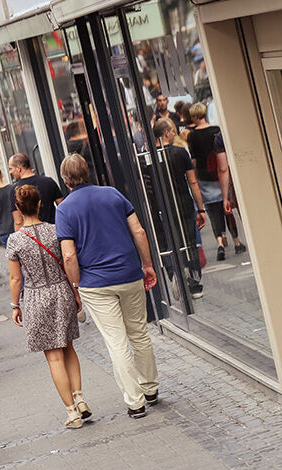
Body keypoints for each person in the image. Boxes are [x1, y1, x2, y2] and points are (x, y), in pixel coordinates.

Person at [55, 154, 159, 419]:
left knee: (116, 341)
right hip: (128, 274)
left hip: (95, 283)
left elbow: (68, 255)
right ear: (87, 172)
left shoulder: (65, 209)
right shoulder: (113, 194)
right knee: (139, 332)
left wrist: (75, 285)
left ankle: (135, 402)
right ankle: (151, 388)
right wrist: (146, 264)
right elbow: (139, 232)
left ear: (65, 181)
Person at [6, 185, 89, 429]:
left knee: (54, 357)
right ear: (40, 204)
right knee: (69, 347)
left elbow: (15, 279)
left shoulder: (15, 240)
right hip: (61, 291)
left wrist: (14, 305)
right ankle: (80, 398)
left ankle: (72, 412)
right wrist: (75, 292)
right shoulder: (56, 231)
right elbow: (67, 259)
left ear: (19, 208)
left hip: (35, 296)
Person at [153, 119, 207, 298]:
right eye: (172, 131)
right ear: (167, 133)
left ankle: (175, 272)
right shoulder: (180, 152)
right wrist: (200, 208)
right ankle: (193, 282)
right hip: (182, 203)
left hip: (161, 207)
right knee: (188, 241)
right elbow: (192, 181)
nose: (174, 133)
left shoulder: (149, 157)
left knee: (170, 241)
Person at [187, 102, 246, 260]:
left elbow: (193, 160)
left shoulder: (192, 136)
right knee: (228, 211)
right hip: (219, 176)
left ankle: (220, 242)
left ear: (194, 116)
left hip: (204, 177)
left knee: (213, 212)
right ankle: (236, 241)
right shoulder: (216, 131)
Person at [8, 153, 64, 232]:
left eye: (11, 168)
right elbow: (62, 207)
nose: (10, 172)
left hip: (31, 236)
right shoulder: (49, 181)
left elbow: (18, 222)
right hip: (53, 231)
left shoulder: (16, 190)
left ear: (18, 168)